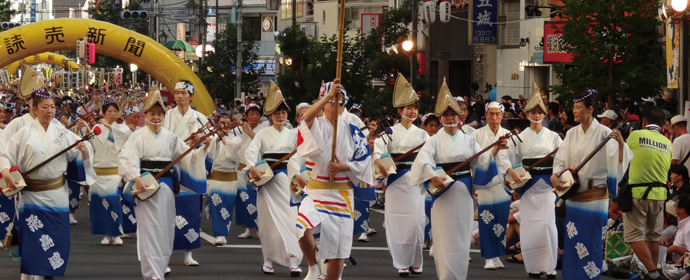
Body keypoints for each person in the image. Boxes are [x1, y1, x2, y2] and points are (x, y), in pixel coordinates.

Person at [409, 77, 503, 280]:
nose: (450, 118)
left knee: (461, 234)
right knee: (443, 234)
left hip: (463, 190)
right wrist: (432, 176)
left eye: (454, 115)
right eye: (446, 115)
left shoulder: (469, 141)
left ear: (459, 117)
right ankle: (445, 275)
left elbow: (482, 161)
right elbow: (422, 162)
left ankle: (459, 275)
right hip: (442, 191)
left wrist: (494, 149)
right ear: (440, 118)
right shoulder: (433, 141)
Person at [0, 87, 95, 280]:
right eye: (45, 107)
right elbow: (5, 155)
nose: (50, 111)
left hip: (56, 195)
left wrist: (84, 150)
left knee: (55, 238)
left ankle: (45, 275)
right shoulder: (23, 132)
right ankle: (31, 274)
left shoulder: (62, 133)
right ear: (35, 109)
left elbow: (78, 152)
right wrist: (5, 173)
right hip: (31, 196)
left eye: (52, 107)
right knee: (34, 241)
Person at [118, 89, 206, 280]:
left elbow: (188, 157)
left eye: (160, 114)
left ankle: (161, 267)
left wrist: (202, 147)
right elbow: (127, 157)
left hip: (166, 188)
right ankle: (152, 272)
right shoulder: (138, 136)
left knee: (165, 227)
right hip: (146, 187)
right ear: (145, 115)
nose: (156, 117)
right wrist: (136, 177)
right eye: (152, 114)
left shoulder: (171, 137)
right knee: (149, 228)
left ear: (164, 116)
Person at [296, 79, 373, 280]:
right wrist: (328, 95)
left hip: (341, 193)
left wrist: (343, 166)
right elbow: (306, 119)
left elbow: (364, 160)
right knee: (302, 228)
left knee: (338, 248)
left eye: (338, 100)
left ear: (343, 103)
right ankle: (313, 266)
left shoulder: (353, 131)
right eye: (330, 100)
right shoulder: (316, 124)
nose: (333, 104)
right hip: (316, 191)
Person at [551, 89, 632, 280]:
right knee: (573, 242)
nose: (574, 111)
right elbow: (560, 162)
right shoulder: (571, 133)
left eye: (578, 107)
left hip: (595, 195)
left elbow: (618, 164)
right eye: (573, 107)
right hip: (574, 194)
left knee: (592, 242)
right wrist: (555, 177)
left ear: (589, 109)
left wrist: (621, 145)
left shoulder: (605, 134)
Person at [245, 81, 304, 276]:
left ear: (287, 116)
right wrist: (252, 167)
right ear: (270, 116)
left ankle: (294, 260)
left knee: (292, 220)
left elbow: (303, 154)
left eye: (284, 113)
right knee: (267, 222)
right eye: (277, 113)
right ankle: (267, 260)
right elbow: (251, 152)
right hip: (268, 182)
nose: (280, 116)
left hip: (288, 181)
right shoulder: (262, 134)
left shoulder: (294, 134)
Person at [374, 74, 429, 276]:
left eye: (415, 108)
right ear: (400, 111)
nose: (412, 111)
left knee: (416, 223)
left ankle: (415, 261)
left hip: (415, 182)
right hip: (396, 184)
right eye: (408, 107)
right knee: (398, 224)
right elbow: (378, 153)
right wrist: (380, 164)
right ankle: (401, 263)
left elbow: (428, 158)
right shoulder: (388, 132)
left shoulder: (423, 134)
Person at [504, 93, 562, 278]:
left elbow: (563, 159)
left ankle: (550, 267)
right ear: (527, 113)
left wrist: (557, 175)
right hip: (528, 186)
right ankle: (533, 267)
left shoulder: (554, 137)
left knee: (547, 224)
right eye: (533, 112)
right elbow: (508, 158)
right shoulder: (518, 137)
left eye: (540, 112)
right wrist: (512, 171)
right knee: (530, 226)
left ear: (545, 114)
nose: (536, 115)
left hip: (547, 185)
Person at [161, 81, 208, 266]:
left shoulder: (200, 118)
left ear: (191, 96)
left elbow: (208, 143)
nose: (180, 96)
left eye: (184, 93)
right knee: (166, 211)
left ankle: (188, 254)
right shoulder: (166, 116)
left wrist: (203, 142)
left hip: (191, 166)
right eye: (177, 93)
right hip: (171, 166)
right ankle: (165, 253)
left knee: (189, 211)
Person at [624, 106, 672, 280]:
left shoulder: (635, 135)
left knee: (634, 235)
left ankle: (652, 273)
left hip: (639, 192)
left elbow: (623, 158)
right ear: (662, 124)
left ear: (644, 122)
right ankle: (655, 272)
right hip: (660, 195)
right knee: (652, 237)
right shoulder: (667, 142)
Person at [470, 101, 513, 270]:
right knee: (486, 218)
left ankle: (497, 256)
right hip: (484, 182)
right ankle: (489, 256)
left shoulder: (508, 134)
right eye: (491, 114)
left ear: (502, 116)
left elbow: (513, 160)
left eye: (498, 114)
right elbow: (475, 160)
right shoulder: (476, 135)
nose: (494, 118)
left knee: (501, 220)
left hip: (503, 183)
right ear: (486, 116)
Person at [89, 99, 126, 246]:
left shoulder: (120, 129)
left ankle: (116, 233)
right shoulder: (96, 129)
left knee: (114, 202)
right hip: (98, 172)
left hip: (113, 172)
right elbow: (90, 146)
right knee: (99, 204)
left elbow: (123, 141)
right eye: (109, 111)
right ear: (103, 113)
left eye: (114, 111)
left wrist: (109, 127)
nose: (112, 113)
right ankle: (105, 234)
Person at [204, 109, 242, 246]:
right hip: (215, 177)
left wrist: (222, 138)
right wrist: (213, 141)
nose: (224, 125)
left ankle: (223, 232)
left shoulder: (236, 137)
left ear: (231, 124)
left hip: (230, 177)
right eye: (221, 123)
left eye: (227, 123)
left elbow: (235, 148)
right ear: (216, 123)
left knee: (227, 206)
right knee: (216, 204)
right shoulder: (212, 137)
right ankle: (219, 234)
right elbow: (207, 154)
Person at [236, 102, 267, 239]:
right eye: (251, 114)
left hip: (257, 167)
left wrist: (247, 131)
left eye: (257, 114)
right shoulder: (239, 128)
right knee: (243, 198)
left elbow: (261, 143)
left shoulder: (265, 127)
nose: (254, 116)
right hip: (241, 166)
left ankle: (261, 228)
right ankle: (248, 229)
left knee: (258, 198)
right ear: (246, 116)